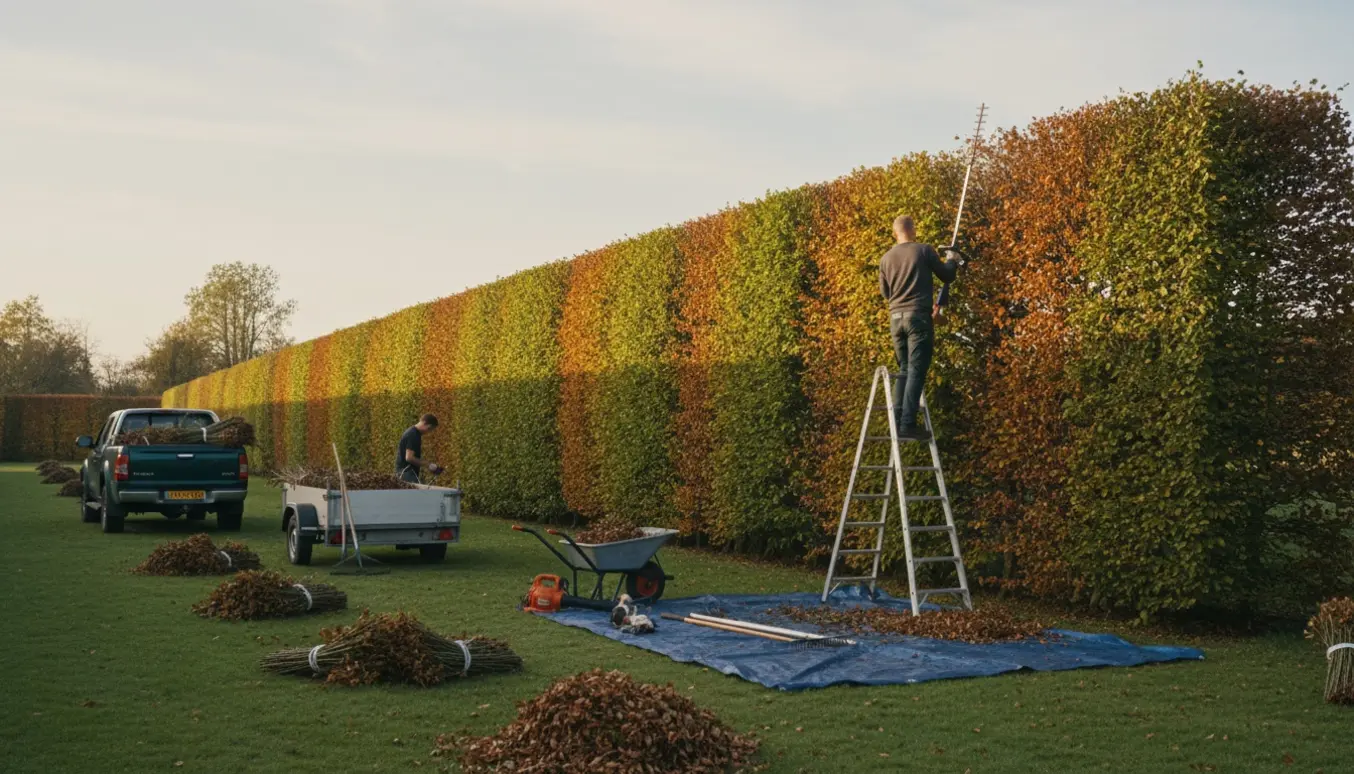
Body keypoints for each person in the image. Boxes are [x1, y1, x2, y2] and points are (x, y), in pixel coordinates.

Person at [878, 215, 961, 442]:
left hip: (896, 319)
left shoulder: (885, 259)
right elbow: (947, 275)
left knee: (904, 368)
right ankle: (907, 424)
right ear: (913, 230)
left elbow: (886, 293)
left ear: (895, 233)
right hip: (918, 318)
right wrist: (952, 259)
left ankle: (897, 422)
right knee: (916, 370)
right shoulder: (924, 250)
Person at [396, 414, 444, 483]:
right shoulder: (413, 434)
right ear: (424, 423)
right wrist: (428, 464)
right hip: (407, 473)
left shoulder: (414, 433)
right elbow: (409, 457)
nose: (428, 432)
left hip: (404, 472)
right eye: (429, 429)